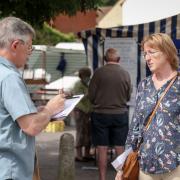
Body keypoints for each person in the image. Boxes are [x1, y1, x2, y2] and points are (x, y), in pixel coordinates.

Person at [0, 17, 65, 180]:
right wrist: (51, 109)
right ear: (15, 45)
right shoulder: (9, 77)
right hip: (11, 170)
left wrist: (36, 112)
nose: (30, 54)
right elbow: (31, 126)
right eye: (29, 47)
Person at [115, 33, 180, 180]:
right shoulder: (144, 85)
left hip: (175, 166)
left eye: (151, 52)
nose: (147, 58)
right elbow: (135, 127)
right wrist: (123, 165)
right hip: (145, 165)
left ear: (167, 52)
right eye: (145, 53)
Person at [89, 48, 132, 180]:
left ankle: (102, 178)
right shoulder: (125, 74)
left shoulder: (98, 73)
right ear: (119, 59)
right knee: (120, 148)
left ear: (105, 59)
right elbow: (128, 95)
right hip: (120, 114)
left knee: (102, 149)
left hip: (100, 114)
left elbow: (91, 96)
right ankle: (121, 177)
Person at [72, 67, 93, 162]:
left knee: (88, 133)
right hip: (80, 112)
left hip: (88, 112)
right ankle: (79, 155)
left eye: (89, 76)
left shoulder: (87, 85)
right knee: (80, 132)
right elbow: (77, 99)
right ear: (81, 76)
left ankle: (87, 154)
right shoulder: (78, 85)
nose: (88, 78)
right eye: (86, 76)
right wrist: (87, 95)